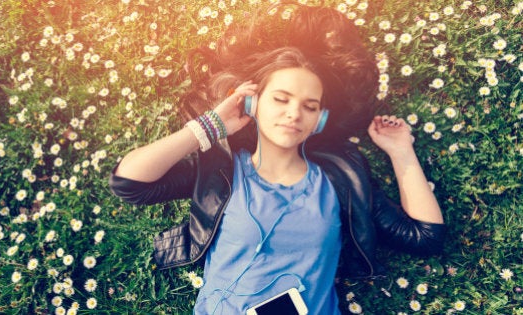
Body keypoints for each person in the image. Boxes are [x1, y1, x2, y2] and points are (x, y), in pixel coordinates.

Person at [109, 3, 445, 314]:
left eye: (309, 106)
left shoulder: (340, 180)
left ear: (320, 120)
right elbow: (129, 183)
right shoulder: (221, 169)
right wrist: (210, 127)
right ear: (254, 104)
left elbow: (425, 236)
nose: (293, 114)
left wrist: (401, 153)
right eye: (280, 99)